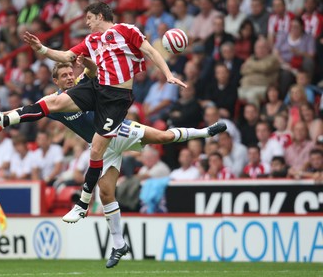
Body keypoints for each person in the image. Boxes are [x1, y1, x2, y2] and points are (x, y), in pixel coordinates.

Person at [0, 1, 186, 227]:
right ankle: (4, 119)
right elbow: (66, 56)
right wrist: (41, 48)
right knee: (54, 101)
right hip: (97, 87)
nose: (87, 23)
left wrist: (167, 74)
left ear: (100, 16)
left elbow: (150, 52)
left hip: (116, 98)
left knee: (101, 150)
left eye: (89, 18)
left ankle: (82, 205)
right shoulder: (92, 41)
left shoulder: (126, 30)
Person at [11, 61, 227, 268]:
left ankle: (205, 132)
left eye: (70, 73)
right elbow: (32, 110)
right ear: (55, 81)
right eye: (64, 76)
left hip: (116, 130)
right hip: (101, 147)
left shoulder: (82, 84)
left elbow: (93, 70)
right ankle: (119, 245)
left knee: (162, 137)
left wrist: (85, 60)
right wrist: (5, 117)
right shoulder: (55, 102)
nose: (69, 77)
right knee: (106, 194)